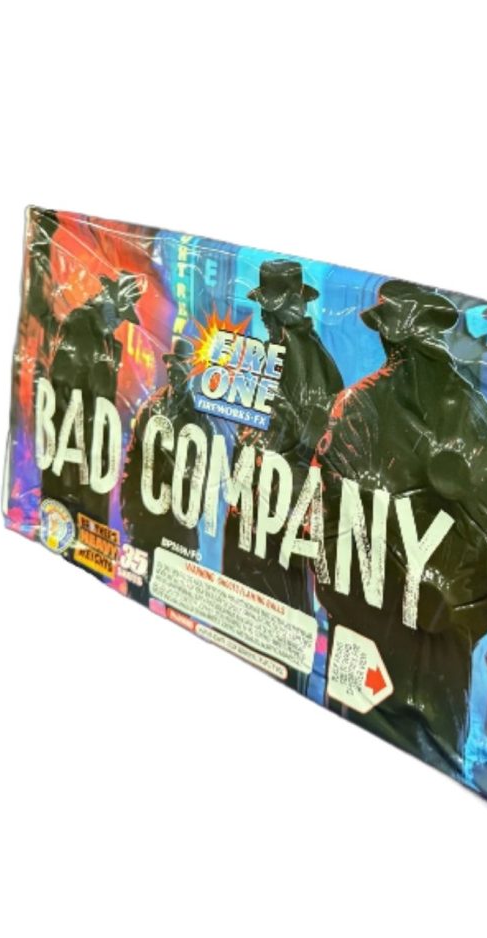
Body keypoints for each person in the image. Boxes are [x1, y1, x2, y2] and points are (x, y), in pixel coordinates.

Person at [314, 280, 487, 775]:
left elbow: (324, 525)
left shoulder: (359, 406)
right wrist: (457, 625)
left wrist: (352, 608)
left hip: (367, 634)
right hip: (442, 652)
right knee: (438, 764)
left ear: (390, 333)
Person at [222, 260, 344, 693]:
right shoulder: (294, 353)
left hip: (274, 515)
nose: (264, 317)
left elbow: (313, 439)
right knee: (266, 625)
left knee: (272, 624)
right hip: (268, 512)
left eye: (269, 308)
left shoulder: (303, 357)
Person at [41, 272, 143, 537]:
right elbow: (69, 383)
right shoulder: (82, 322)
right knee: (69, 512)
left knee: (88, 519)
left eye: (123, 315)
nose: (119, 320)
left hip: (91, 445)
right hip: (73, 444)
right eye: (118, 311)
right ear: (106, 297)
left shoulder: (107, 339)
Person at [121, 336, 211, 602]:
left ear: (191, 372)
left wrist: (189, 517)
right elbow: (132, 462)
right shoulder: (150, 409)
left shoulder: (201, 422)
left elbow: (202, 479)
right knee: (136, 591)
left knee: (177, 604)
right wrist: (129, 511)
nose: (175, 373)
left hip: (178, 526)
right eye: (172, 367)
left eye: (181, 368)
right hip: (146, 519)